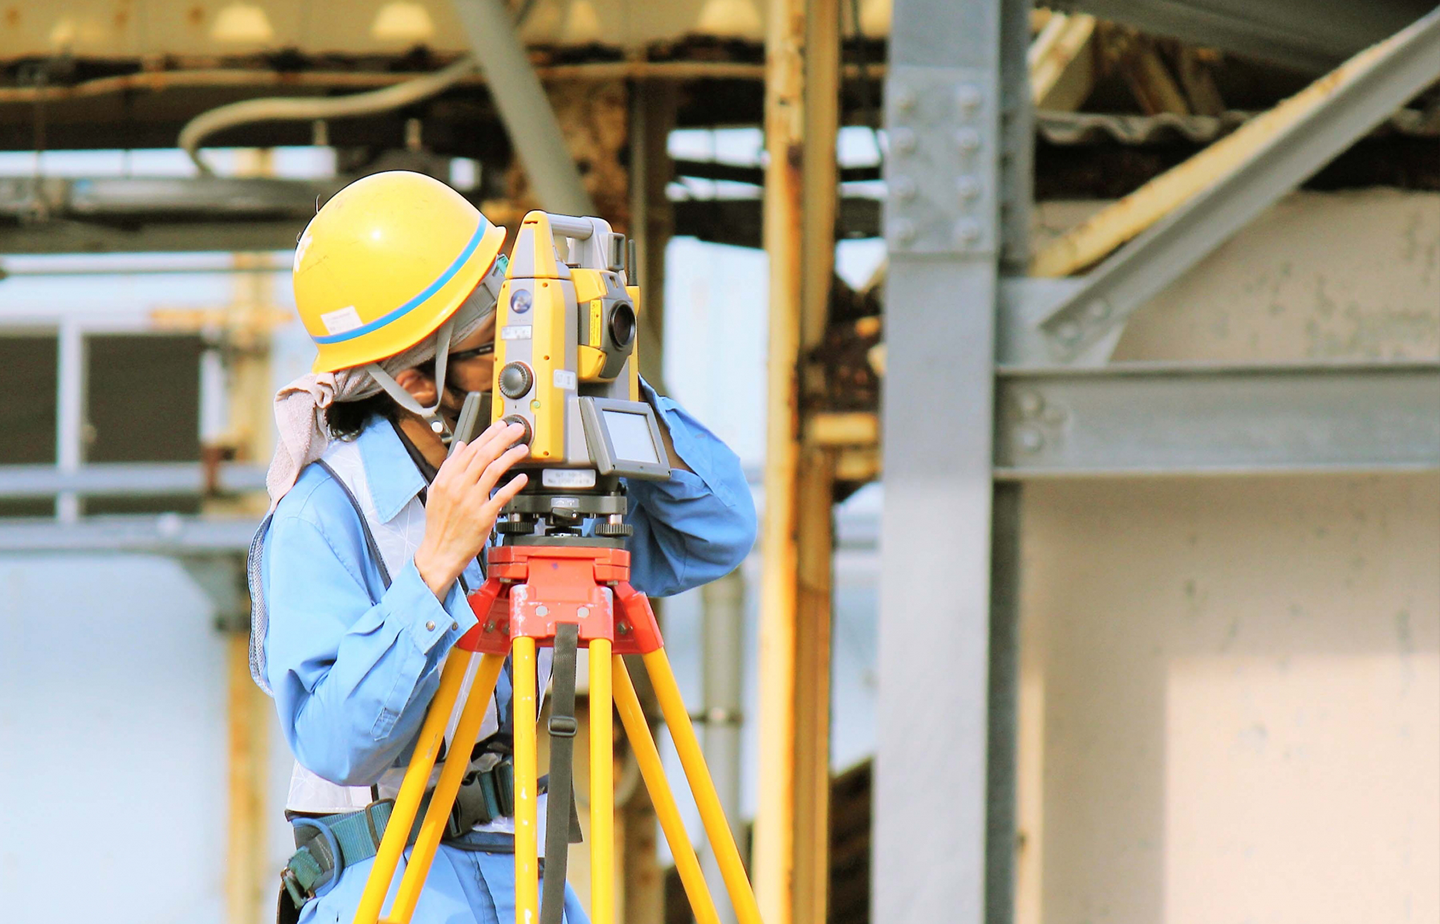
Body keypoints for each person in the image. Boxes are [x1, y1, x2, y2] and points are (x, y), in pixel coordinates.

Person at [247, 171, 756, 924]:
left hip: (525, 874)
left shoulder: (534, 472)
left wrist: (609, 386)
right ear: (418, 382)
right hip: (395, 886)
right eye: (502, 344)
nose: (532, 356)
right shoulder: (324, 516)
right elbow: (333, 742)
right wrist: (433, 571)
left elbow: (717, 533)